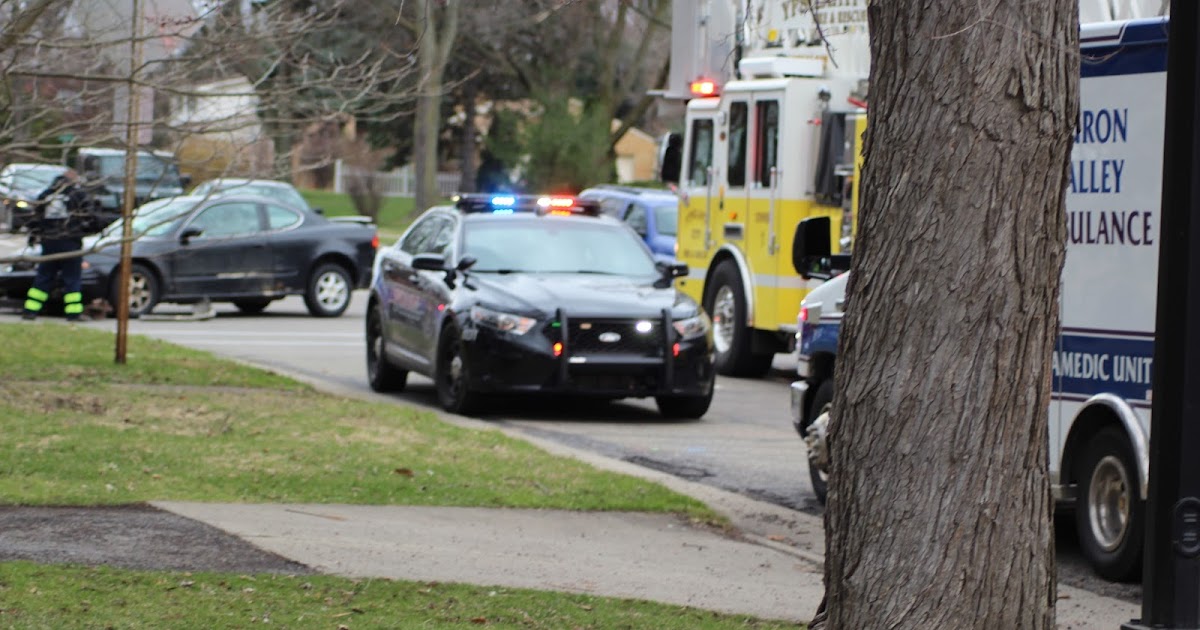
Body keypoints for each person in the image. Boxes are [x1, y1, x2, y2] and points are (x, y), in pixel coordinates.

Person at [22, 169, 102, 321]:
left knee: (44, 277)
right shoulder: (77, 195)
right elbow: (91, 217)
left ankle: (30, 310)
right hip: (70, 243)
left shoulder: (46, 195)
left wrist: (35, 237)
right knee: (72, 279)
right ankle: (73, 314)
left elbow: (34, 219)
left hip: (49, 243)